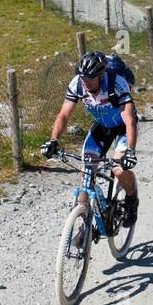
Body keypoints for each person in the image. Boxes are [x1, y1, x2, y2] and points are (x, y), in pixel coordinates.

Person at [41, 52, 138, 228]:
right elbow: (64, 114)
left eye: (90, 78)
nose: (85, 82)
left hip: (122, 126)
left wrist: (130, 152)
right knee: (86, 172)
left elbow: (130, 120)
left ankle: (132, 199)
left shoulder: (116, 84)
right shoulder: (77, 84)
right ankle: (84, 225)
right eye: (83, 77)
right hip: (101, 126)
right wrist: (53, 140)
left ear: (101, 75)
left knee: (118, 169)